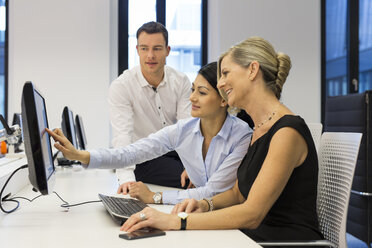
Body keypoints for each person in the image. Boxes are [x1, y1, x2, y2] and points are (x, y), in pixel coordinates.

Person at [116, 37, 324, 243]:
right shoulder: (259, 129)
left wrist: (177, 221)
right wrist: (206, 205)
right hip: (252, 236)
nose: (221, 83)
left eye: (225, 73)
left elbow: (252, 214)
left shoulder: (286, 132)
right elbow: (237, 193)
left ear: (252, 70)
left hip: (283, 240)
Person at [47, 62, 252, 205]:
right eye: (192, 90)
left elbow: (213, 192)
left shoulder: (241, 136)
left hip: (231, 221)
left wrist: (155, 196)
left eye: (202, 92)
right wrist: (80, 155)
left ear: (224, 100)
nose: (192, 98)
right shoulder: (184, 130)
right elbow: (131, 153)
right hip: (197, 212)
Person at [109, 21, 191, 190]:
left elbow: (188, 129)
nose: (150, 55)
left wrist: (192, 166)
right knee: (190, 182)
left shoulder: (181, 81)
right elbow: (122, 135)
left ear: (167, 51)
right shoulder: (122, 86)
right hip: (142, 158)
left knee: (209, 174)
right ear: (137, 50)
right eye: (144, 48)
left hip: (175, 152)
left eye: (157, 48)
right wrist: (126, 180)